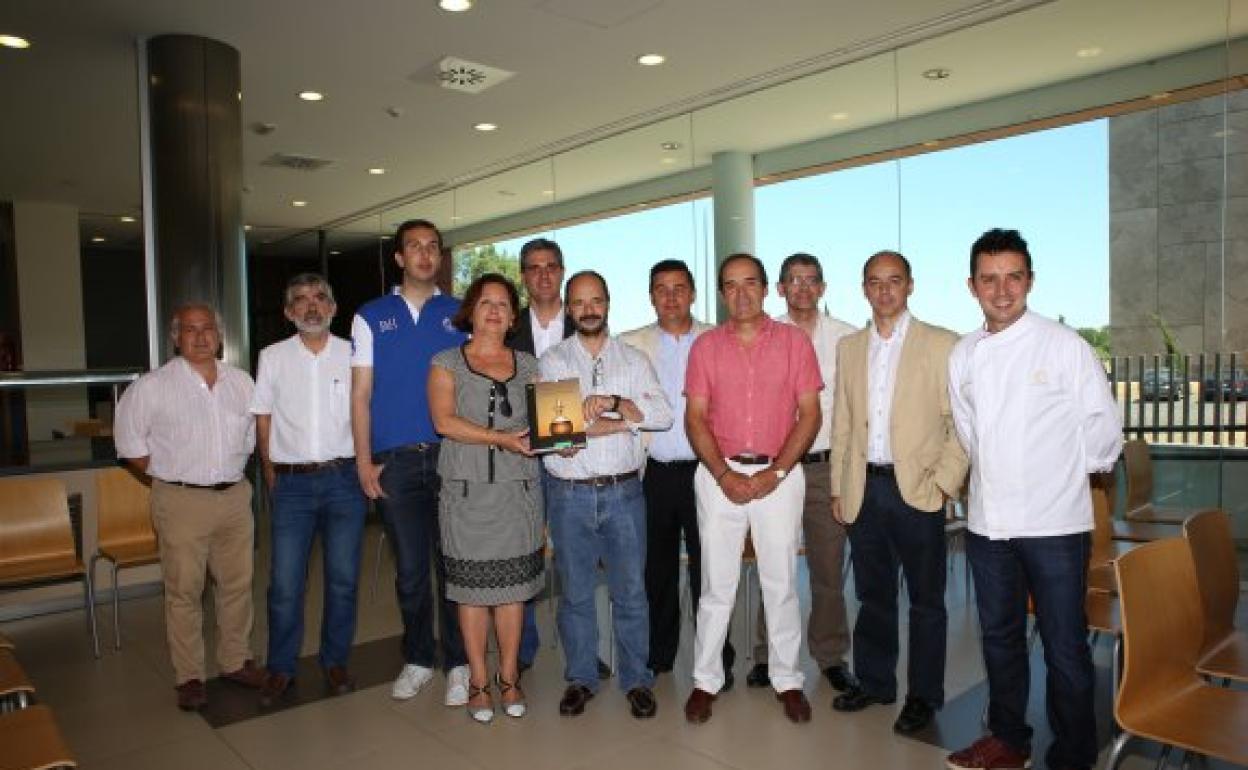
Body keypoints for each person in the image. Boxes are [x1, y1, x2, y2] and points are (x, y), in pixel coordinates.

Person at [946, 229, 1122, 770]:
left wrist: (1057, 474)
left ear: (1030, 281)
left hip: (1055, 524)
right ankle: (1008, 739)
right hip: (988, 522)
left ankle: (1073, 754)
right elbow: (969, 430)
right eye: (989, 279)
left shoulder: (1064, 345)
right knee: (999, 637)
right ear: (972, 285)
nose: (1002, 291)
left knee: (1064, 644)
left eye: (1013, 278)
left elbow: (1103, 431)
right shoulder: (964, 353)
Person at [829, 250, 968, 735]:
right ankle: (875, 682)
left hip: (918, 492)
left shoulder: (942, 344)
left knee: (927, 601)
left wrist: (945, 482)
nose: (884, 290)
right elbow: (843, 422)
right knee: (872, 595)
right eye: (874, 281)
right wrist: (839, 487)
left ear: (910, 286)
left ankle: (924, 696)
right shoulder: (849, 347)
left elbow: (962, 425)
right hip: (864, 489)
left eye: (894, 281)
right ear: (863, 288)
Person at [683, 253, 822, 726]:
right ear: (721, 294)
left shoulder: (794, 343)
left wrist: (775, 473)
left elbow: (810, 414)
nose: (740, 294)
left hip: (779, 476)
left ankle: (787, 679)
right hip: (718, 476)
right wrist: (723, 474)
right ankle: (705, 680)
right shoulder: (704, 347)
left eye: (750, 284)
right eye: (730, 285)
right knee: (715, 586)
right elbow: (695, 417)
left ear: (766, 290)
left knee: (780, 583)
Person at [114, 303, 264, 711]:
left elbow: (252, 438)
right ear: (175, 337)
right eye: (190, 329)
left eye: (208, 328)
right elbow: (129, 443)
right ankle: (190, 676)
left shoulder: (241, 382)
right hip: (181, 500)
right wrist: (169, 476)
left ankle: (234, 661)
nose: (200, 336)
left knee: (237, 586)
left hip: (234, 496)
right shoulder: (152, 386)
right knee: (184, 592)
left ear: (220, 335)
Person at [540, 270, 672, 719]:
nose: (588, 309)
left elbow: (664, 415)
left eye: (596, 300)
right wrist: (624, 419)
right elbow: (557, 436)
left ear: (608, 302)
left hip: (624, 495)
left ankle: (637, 679)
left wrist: (612, 403)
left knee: (631, 592)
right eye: (579, 302)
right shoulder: (554, 362)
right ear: (568, 307)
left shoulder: (634, 362)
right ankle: (581, 677)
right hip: (569, 495)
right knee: (575, 593)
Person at [350, 218, 470, 706]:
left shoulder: (460, 312)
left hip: (452, 457)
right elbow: (360, 394)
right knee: (411, 572)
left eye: (432, 247)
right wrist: (363, 461)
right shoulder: (370, 315)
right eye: (414, 248)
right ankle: (419, 658)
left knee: (455, 566)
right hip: (395, 463)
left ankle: (460, 663)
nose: (424, 255)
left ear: (440, 257)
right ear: (399, 258)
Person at [428, 274, 545, 725]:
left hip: (519, 496)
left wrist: (562, 440)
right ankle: (478, 680)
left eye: (502, 304)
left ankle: (510, 677)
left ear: (513, 316)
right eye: (485, 303)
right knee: (472, 595)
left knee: (513, 594)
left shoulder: (531, 365)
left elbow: (546, 424)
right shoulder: (445, 362)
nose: (494, 311)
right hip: (466, 495)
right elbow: (444, 422)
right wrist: (500, 438)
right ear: (470, 311)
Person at [619, 260, 735, 687]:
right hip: (653, 473)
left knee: (712, 569)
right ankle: (660, 653)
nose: (670, 297)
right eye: (661, 289)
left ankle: (718, 656)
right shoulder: (629, 344)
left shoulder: (717, 340)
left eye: (679, 288)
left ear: (693, 293)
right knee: (656, 569)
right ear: (651, 296)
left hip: (708, 470)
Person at [744, 253, 857, 692]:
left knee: (829, 570)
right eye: (794, 280)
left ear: (823, 287)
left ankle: (830, 655)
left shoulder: (847, 338)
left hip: (827, 467)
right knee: (775, 566)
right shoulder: (762, 336)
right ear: (780, 289)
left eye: (811, 280)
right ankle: (765, 654)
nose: (803, 288)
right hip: (777, 469)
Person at [251, 274, 366, 707]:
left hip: (344, 482)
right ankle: (281, 667)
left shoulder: (354, 355)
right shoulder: (272, 357)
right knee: (284, 585)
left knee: (342, 581)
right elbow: (262, 417)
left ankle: (335, 661)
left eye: (320, 298)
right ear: (288, 312)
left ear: (334, 309)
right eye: (300, 300)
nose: (311, 306)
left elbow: (367, 410)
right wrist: (270, 473)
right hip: (292, 486)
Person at [507, 237, 572, 673]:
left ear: (562, 271)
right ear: (524, 276)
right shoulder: (507, 332)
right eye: (534, 267)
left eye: (551, 266)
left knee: (573, 561)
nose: (543, 274)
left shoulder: (589, 323)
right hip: (521, 457)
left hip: (572, 460)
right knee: (523, 554)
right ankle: (523, 650)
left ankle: (581, 652)